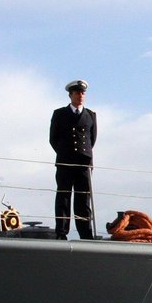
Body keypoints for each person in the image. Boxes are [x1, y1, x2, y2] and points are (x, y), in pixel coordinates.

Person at [49, 79, 97, 239]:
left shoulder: (90, 115)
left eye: (82, 93)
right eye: (77, 93)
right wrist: (65, 153)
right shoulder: (60, 114)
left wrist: (85, 157)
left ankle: (85, 233)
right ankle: (61, 232)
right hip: (65, 162)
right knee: (63, 197)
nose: (80, 95)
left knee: (83, 199)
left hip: (83, 164)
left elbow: (92, 139)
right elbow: (53, 139)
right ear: (70, 95)